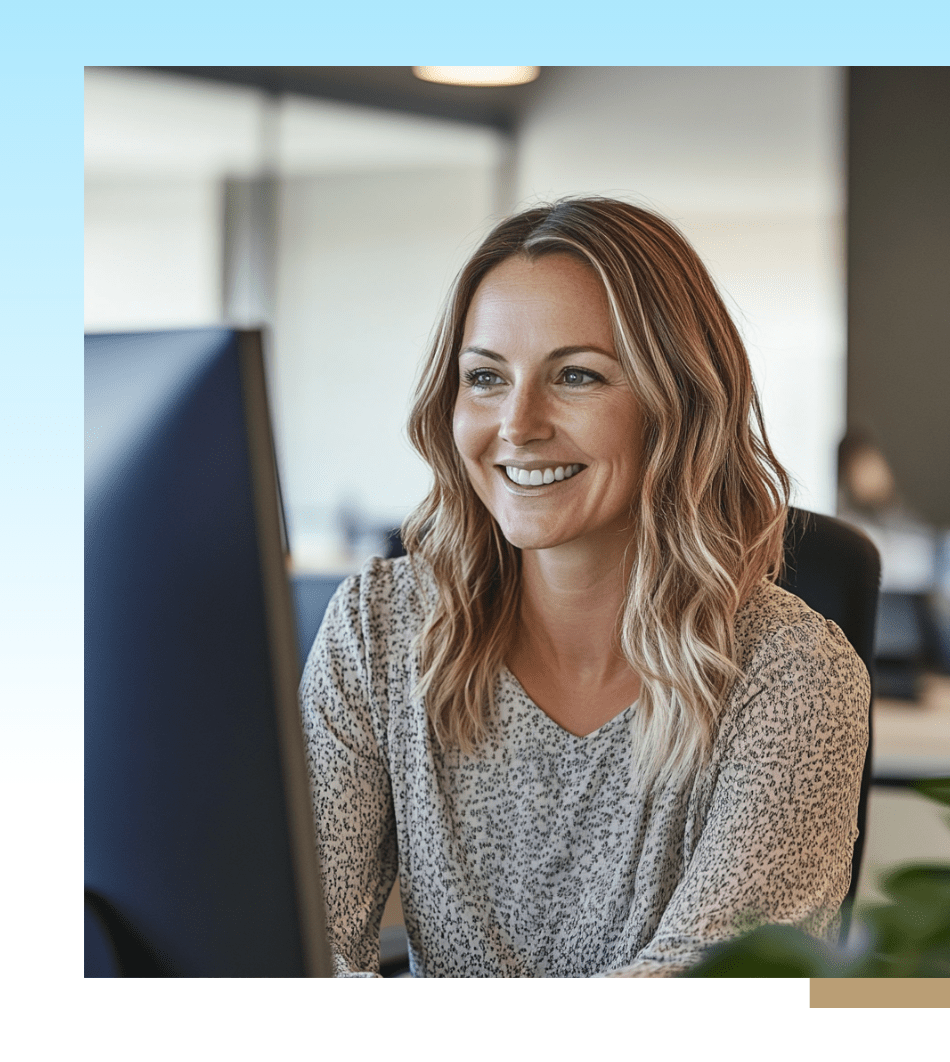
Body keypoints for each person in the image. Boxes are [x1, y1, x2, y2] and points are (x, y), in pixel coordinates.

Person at [300, 197, 870, 978]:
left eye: (576, 376)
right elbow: (297, 948)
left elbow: (704, 996)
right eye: (486, 377)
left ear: (678, 406)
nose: (518, 423)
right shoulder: (380, 628)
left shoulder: (792, 673)